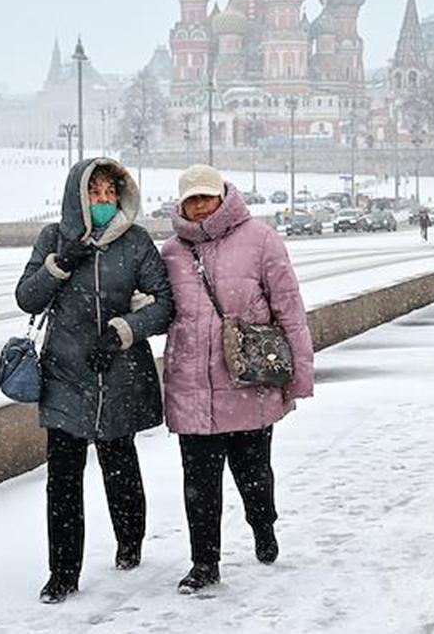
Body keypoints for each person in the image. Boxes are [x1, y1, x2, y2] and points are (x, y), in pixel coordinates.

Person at [15, 158, 173, 603]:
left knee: (120, 464)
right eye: (94, 193)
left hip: (119, 372)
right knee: (63, 478)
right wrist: (60, 265)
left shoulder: (137, 243)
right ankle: (62, 572)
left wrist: (122, 332)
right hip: (66, 374)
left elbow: (163, 305)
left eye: (109, 193)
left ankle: (130, 540)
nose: (103, 201)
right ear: (77, 196)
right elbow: (26, 296)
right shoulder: (53, 238)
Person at [160, 164, 315, 594]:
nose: (199, 207)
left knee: (254, 476)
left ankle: (263, 526)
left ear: (223, 196)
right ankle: (204, 563)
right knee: (199, 486)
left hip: (249, 385)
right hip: (192, 388)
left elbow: (290, 310)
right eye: (191, 200)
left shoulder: (261, 239)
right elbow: (157, 310)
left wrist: (299, 375)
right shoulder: (171, 252)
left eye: (206, 197)